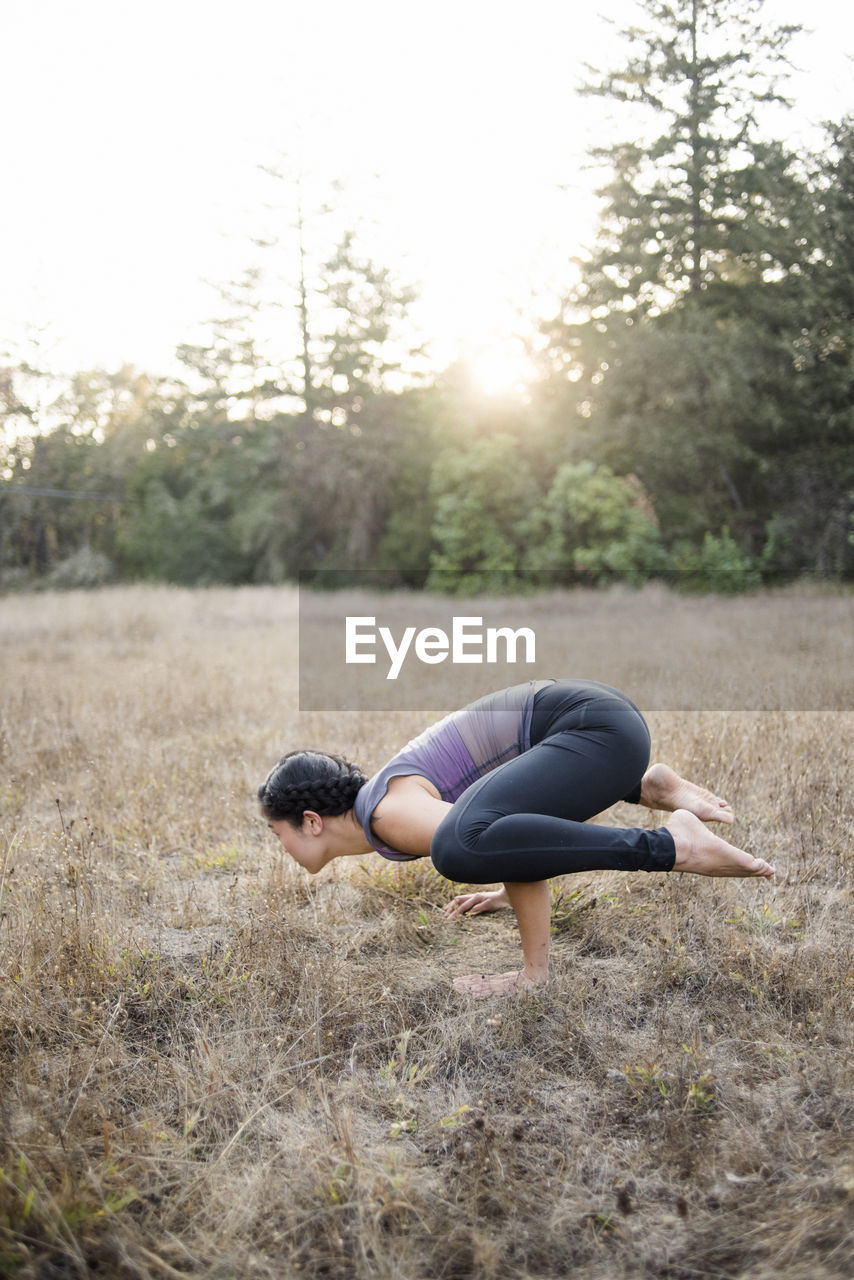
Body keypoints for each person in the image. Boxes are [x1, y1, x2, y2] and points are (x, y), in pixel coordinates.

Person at [259, 678, 774, 997]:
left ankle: (673, 845)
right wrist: (508, 892)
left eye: (274, 830)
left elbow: (494, 838)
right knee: (472, 840)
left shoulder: (386, 814)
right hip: (599, 734)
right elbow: (510, 829)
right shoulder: (384, 806)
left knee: (459, 848)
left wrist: (533, 974)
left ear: (310, 820)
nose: (276, 844)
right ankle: (644, 785)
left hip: (593, 730)